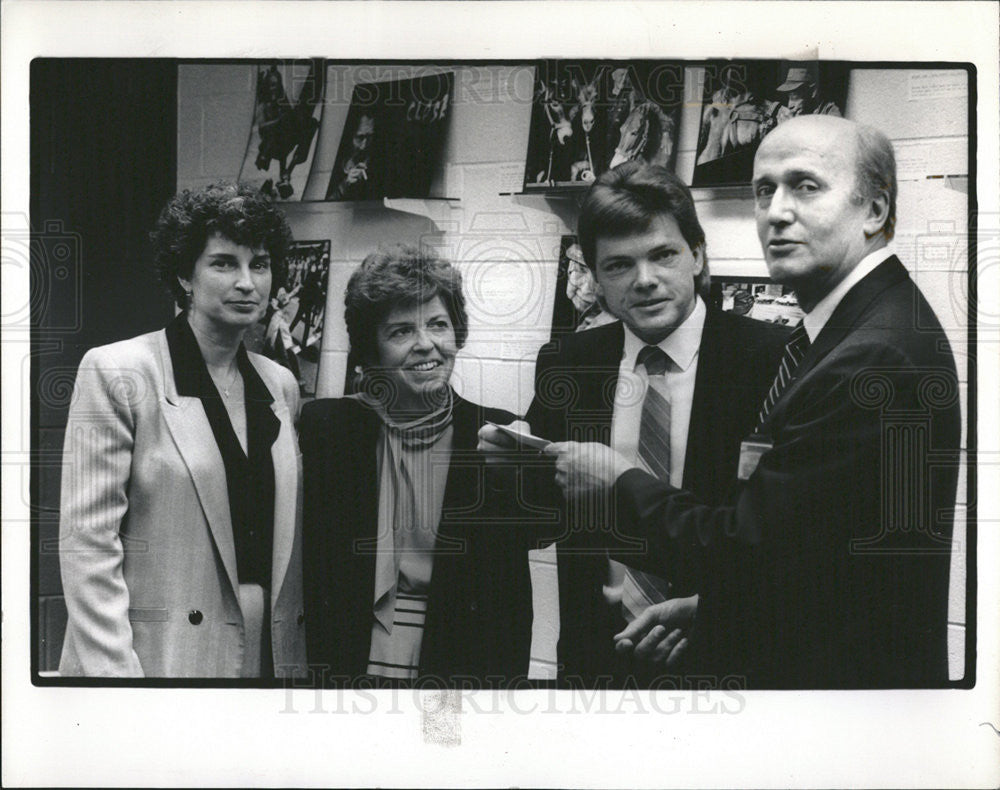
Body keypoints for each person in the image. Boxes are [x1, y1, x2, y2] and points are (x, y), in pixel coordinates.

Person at [546, 116, 961, 688]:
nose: (777, 211)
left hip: (835, 697)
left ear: (875, 211)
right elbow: (808, 556)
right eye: (764, 190)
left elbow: (748, 548)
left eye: (806, 186)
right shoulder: (849, 332)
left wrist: (618, 480)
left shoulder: (869, 355)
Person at [480, 161, 788, 688]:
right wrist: (511, 473)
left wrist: (710, 608)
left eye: (663, 255)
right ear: (596, 280)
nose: (645, 281)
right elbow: (542, 520)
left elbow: (785, 537)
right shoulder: (569, 363)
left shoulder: (772, 359)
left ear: (697, 254)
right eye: (619, 265)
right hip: (597, 658)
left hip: (726, 651)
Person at [59, 182, 307, 678]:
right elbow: (88, 542)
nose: (247, 282)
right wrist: (117, 681)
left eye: (259, 264)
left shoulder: (280, 383)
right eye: (223, 263)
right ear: (183, 275)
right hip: (157, 658)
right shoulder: (118, 371)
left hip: (268, 656)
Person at [299, 246, 534, 687]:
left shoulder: (499, 436)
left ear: (457, 333)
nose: (426, 344)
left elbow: (510, 601)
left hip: (456, 665)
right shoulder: (327, 429)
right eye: (401, 331)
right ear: (373, 350)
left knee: (436, 750)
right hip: (347, 658)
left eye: (438, 324)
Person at [326, 111, 377, 200]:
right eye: (359, 138)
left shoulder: (378, 162)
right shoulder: (332, 161)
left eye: (370, 137)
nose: (364, 146)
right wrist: (345, 184)